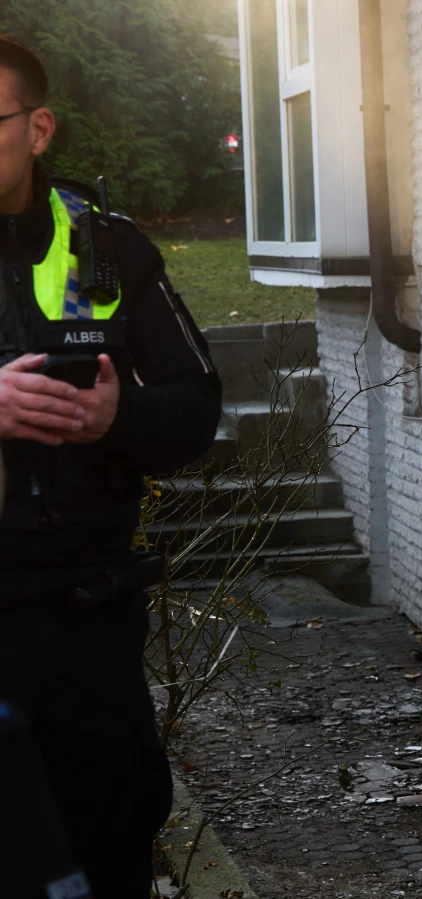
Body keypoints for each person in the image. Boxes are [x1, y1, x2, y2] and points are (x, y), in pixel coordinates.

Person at [0, 36, 221, 898]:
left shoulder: (110, 248)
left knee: (112, 844)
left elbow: (199, 406)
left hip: (91, 622)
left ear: (38, 127)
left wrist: (115, 415)